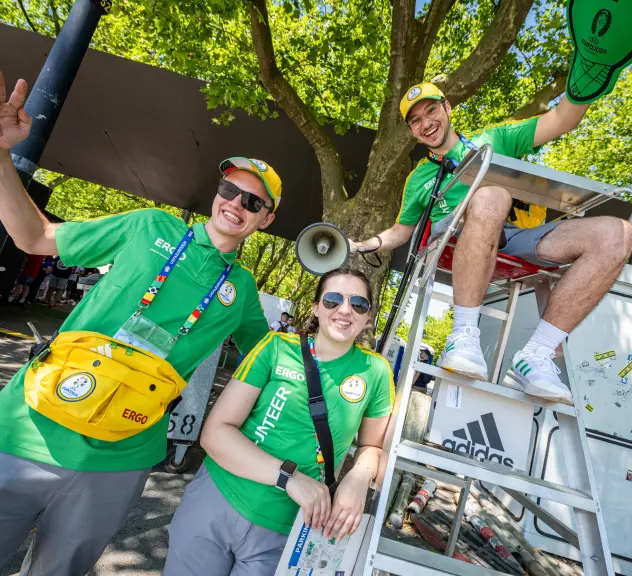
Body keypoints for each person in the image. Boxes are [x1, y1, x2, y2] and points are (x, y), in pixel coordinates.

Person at [0, 72, 282, 576]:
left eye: (253, 202)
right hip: (26, 427)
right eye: (230, 190)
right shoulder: (147, 225)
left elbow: (278, 364)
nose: (236, 204)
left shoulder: (243, 295)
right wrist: (1, 155)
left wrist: (343, 321)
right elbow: (33, 236)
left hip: (119, 459)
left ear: (266, 219)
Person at [351, 81, 632, 405]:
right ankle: (463, 336)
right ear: (412, 132)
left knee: (618, 234)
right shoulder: (418, 177)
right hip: (450, 240)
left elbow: (562, 120)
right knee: (492, 194)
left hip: (505, 235)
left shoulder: (492, 140)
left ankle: (537, 354)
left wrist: (591, 73)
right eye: (415, 120)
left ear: (447, 107)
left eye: (431, 110)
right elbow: (402, 231)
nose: (426, 123)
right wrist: (363, 245)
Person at [164, 267, 394, 576]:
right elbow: (215, 434)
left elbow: (372, 445)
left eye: (359, 304)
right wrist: (290, 477)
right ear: (315, 307)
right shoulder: (275, 347)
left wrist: (359, 477)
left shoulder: (377, 371)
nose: (344, 309)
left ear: (368, 318)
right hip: (217, 498)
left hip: (290, 527)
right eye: (333, 299)